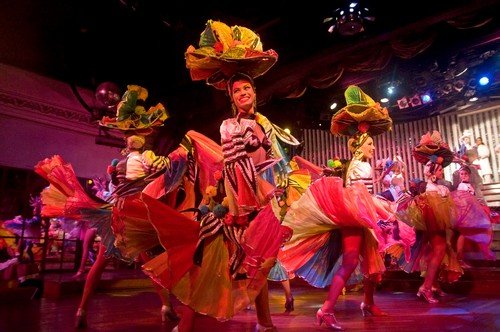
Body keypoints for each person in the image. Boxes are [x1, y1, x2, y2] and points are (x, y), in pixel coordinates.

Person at [278, 85, 401, 330]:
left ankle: (367, 302)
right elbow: (357, 194)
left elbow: (364, 188)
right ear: (359, 146)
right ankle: (326, 309)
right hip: (355, 215)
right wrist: (379, 213)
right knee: (351, 261)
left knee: (371, 261)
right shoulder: (358, 164)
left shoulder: (359, 164)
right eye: (370, 145)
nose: (373, 148)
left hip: (363, 213)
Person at [408, 130, 462, 303]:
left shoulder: (439, 188)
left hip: (435, 213)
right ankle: (426, 286)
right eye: (439, 170)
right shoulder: (433, 190)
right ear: (433, 170)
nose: (442, 172)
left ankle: (431, 285)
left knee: (438, 249)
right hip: (432, 215)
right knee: (438, 249)